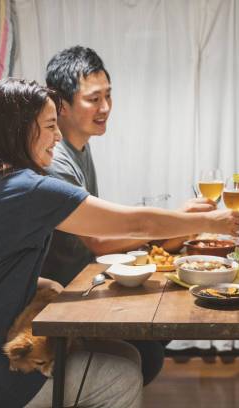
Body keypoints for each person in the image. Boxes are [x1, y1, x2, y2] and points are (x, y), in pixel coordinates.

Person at [0, 78, 239, 408]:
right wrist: (209, 221)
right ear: (19, 131)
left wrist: (36, 281)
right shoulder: (28, 189)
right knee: (119, 378)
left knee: (126, 355)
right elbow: (137, 223)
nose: (58, 136)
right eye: (50, 126)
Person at [41, 46, 205, 386]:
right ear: (62, 105)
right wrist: (177, 222)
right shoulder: (56, 160)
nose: (105, 108)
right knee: (150, 351)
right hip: (55, 302)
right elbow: (98, 241)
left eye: (108, 96)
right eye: (94, 99)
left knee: (163, 323)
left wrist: (169, 233)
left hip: (84, 282)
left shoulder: (80, 148)